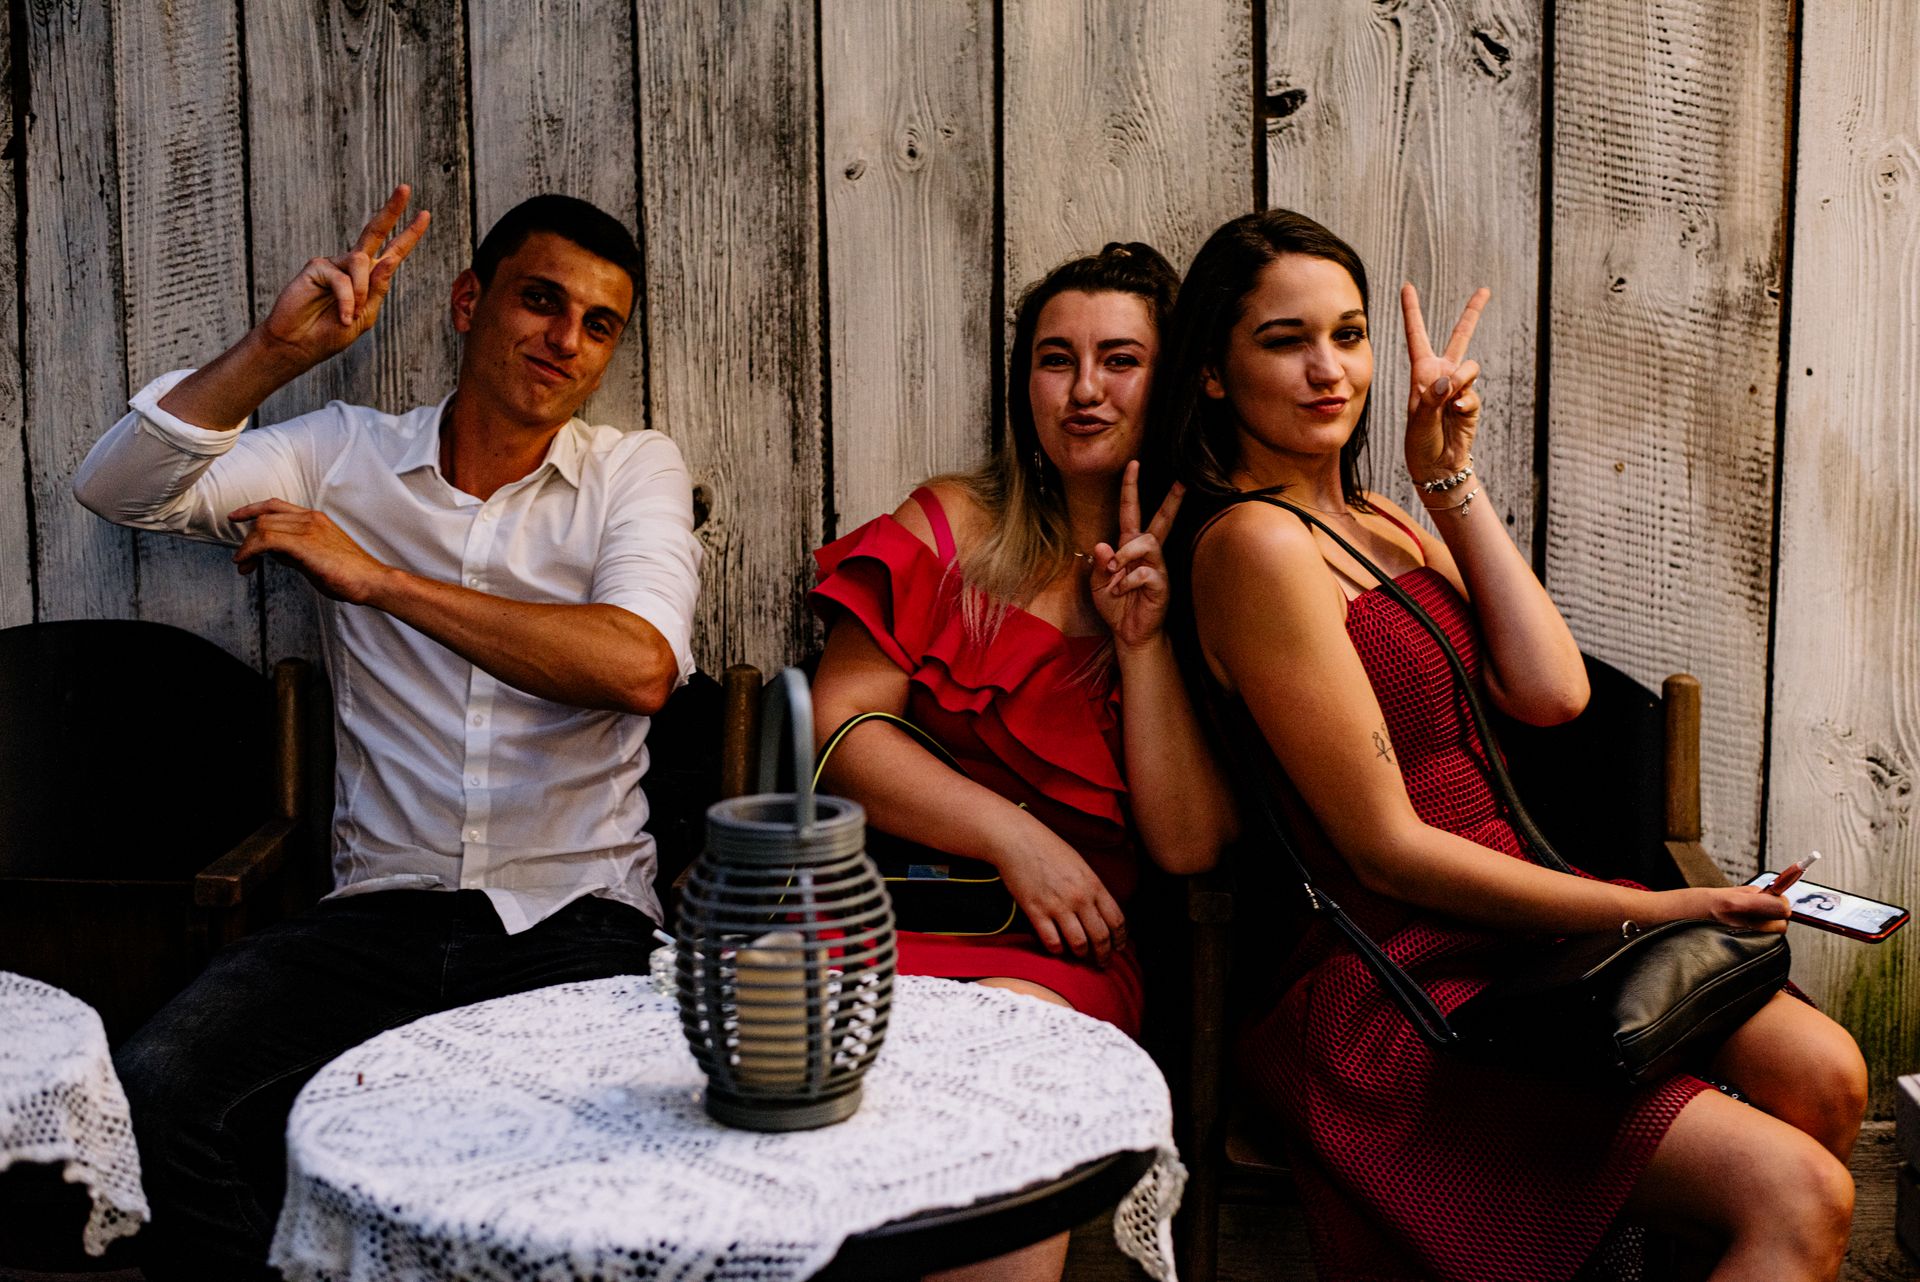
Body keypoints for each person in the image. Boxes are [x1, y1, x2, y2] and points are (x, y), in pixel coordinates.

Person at [1150, 208, 1866, 1282]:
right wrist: (1664, 906)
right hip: (1396, 977)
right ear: (1211, 372)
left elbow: (1551, 691)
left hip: (1520, 927)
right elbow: (1387, 850)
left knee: (1828, 1072)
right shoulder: (1255, 545)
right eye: (1284, 341)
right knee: (1801, 1193)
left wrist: (1448, 477)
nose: (1328, 370)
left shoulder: (1377, 519)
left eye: (1348, 335)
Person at [71, 187, 701, 1281]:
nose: (565, 340)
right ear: (468, 302)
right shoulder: (344, 454)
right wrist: (274, 353)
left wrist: (380, 581)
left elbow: (639, 665)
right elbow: (115, 487)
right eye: (540, 301)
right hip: (378, 917)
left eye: (598, 324)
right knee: (155, 1096)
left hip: (577, 918)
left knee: (583, 1167)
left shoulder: (631, 469)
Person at [809, 244, 1236, 1282]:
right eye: (1056, 359)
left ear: (1173, 379)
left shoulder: (1218, 561)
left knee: (1003, 1105)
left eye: (1120, 359)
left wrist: (1142, 644)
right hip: (872, 917)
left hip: (1053, 955)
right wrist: (1016, 837)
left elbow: (1186, 844)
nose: (1084, 389)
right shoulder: (953, 524)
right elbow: (839, 731)